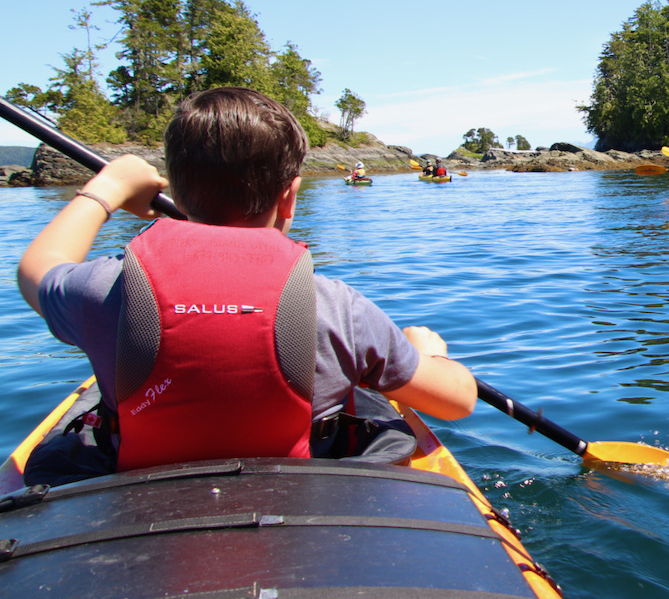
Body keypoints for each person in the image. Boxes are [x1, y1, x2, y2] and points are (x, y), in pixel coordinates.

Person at [17, 86, 476, 474]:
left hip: (141, 491)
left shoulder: (104, 289)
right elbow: (458, 400)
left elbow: (36, 269)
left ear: (174, 189)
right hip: (303, 493)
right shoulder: (336, 307)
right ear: (290, 197)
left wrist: (108, 188)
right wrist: (426, 354)